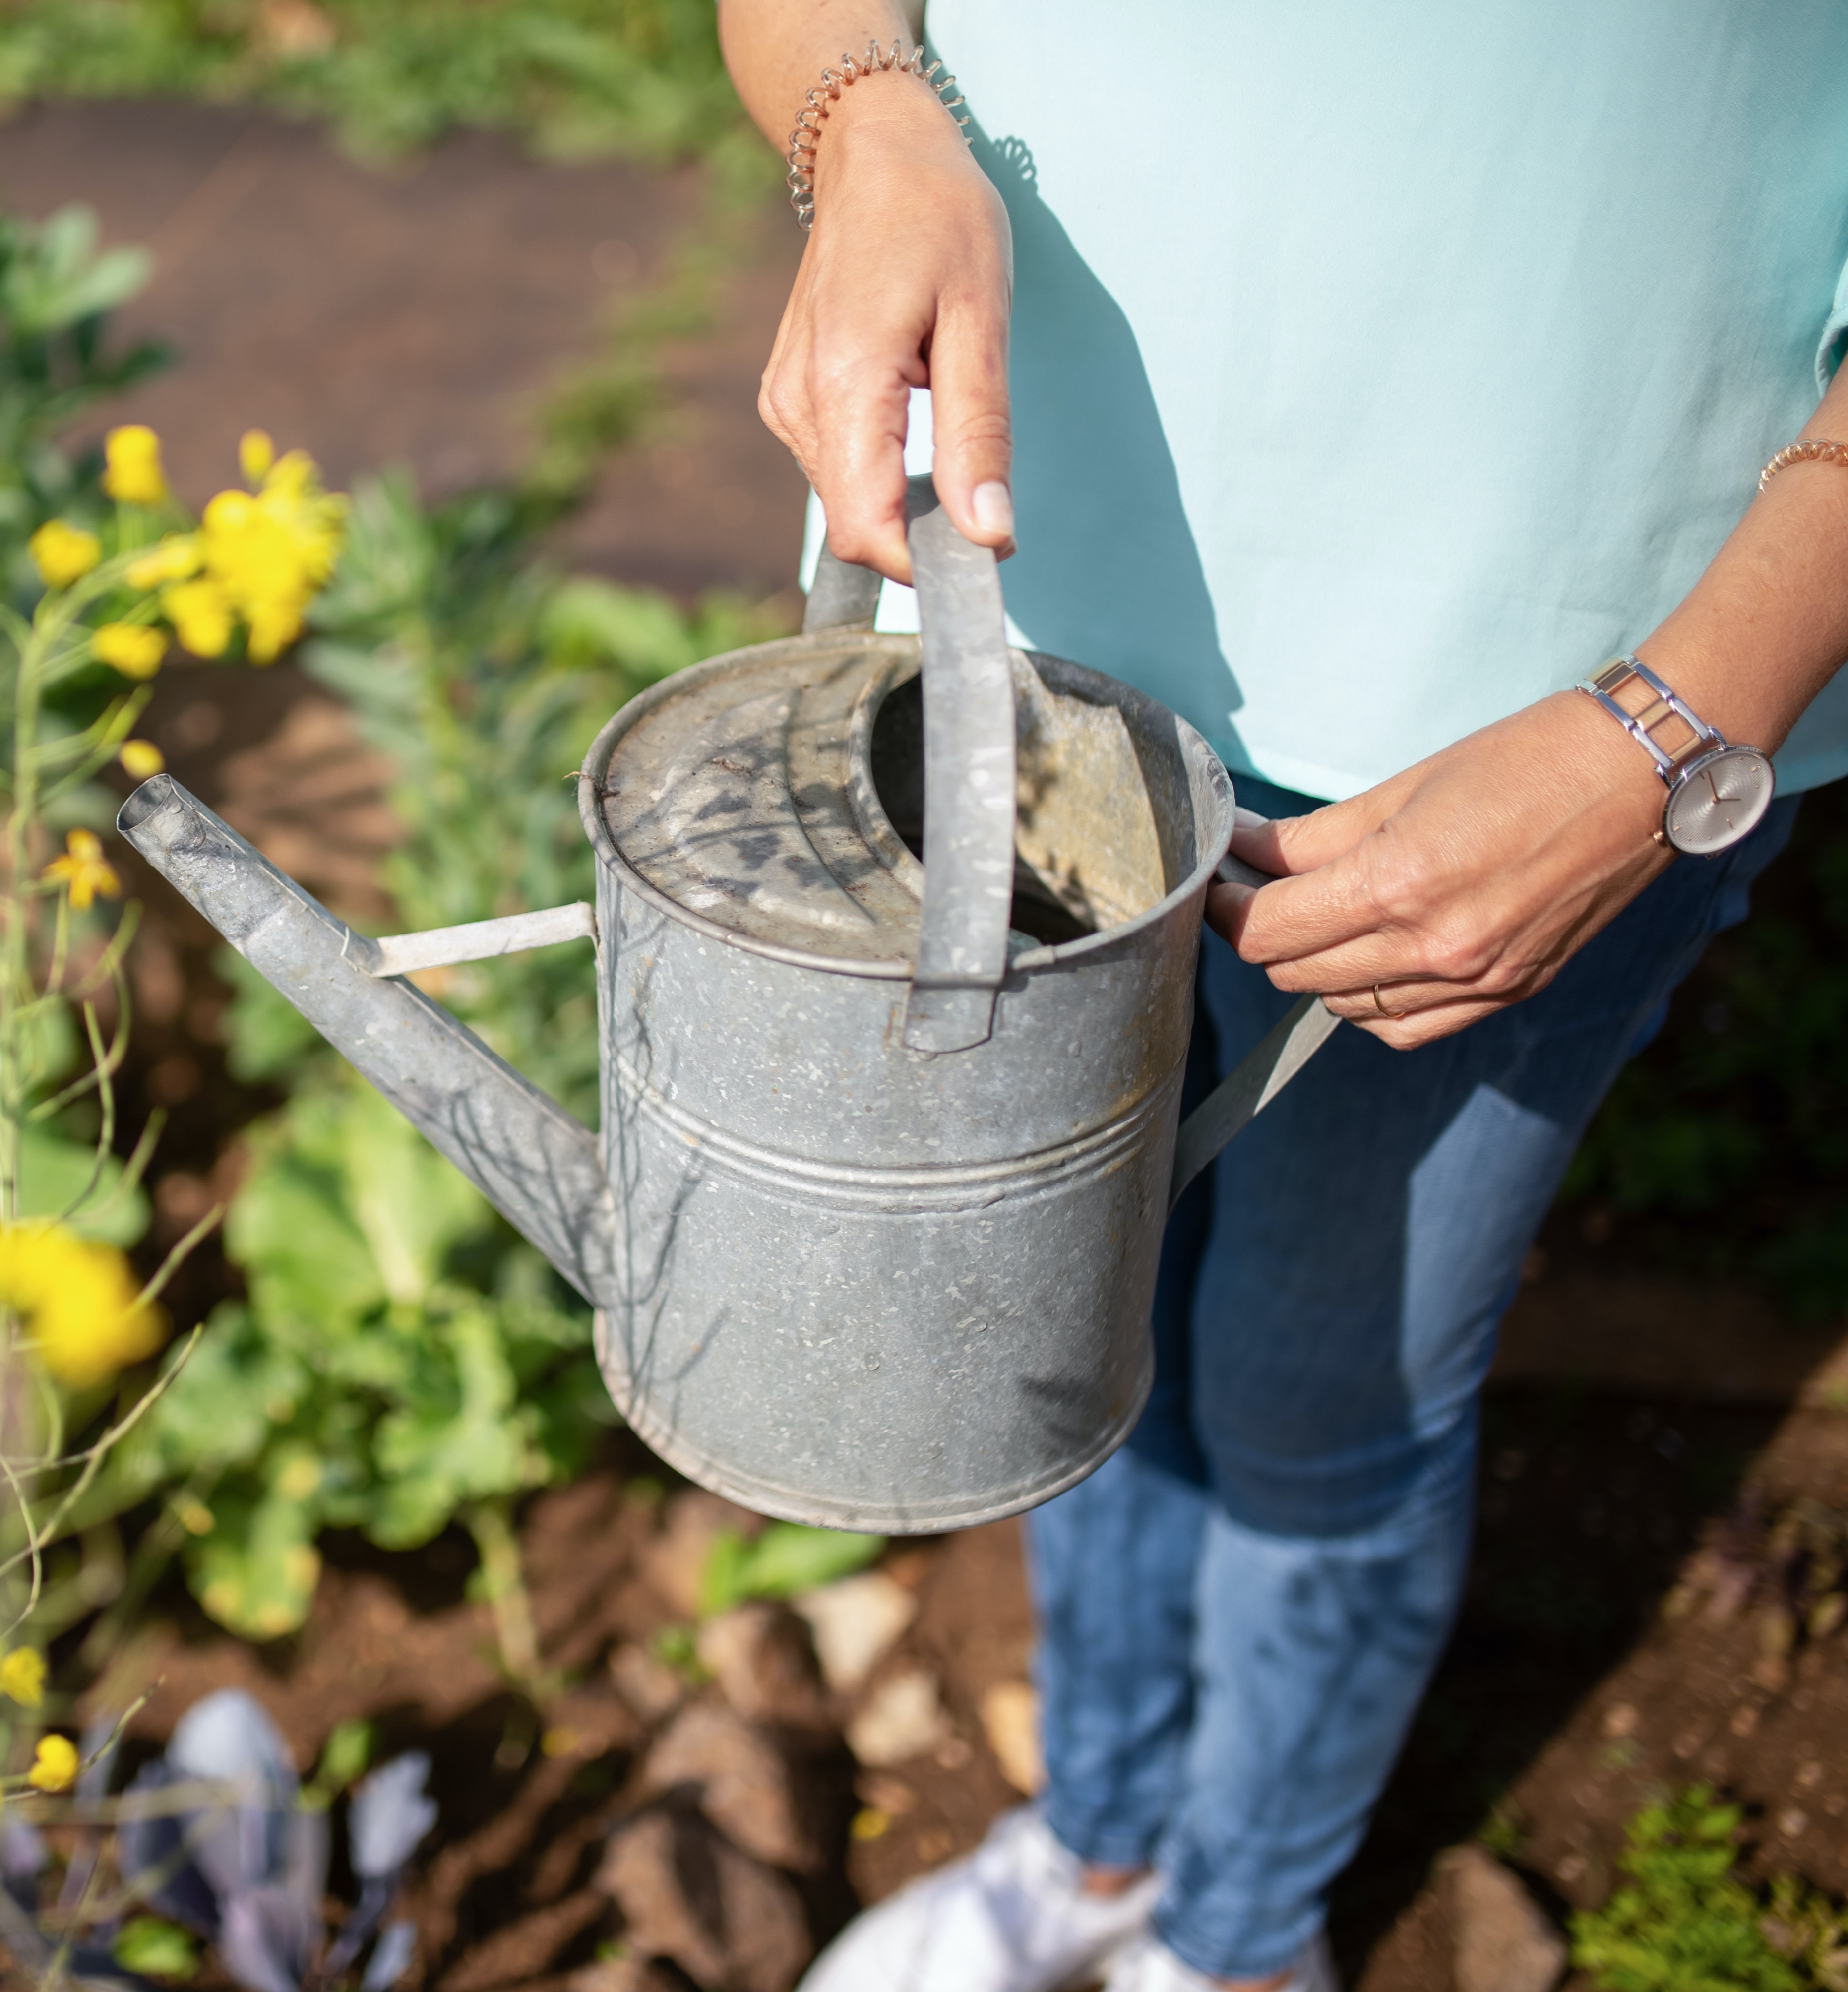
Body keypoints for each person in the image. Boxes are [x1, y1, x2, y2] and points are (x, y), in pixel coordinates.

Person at [715, 4, 1848, 1989]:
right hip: (1025, 597)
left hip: (1544, 709)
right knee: (1064, 1293)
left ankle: (1238, 1935)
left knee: (1323, 1382)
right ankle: (1098, 1842)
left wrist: (1670, 731)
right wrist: (860, 106)